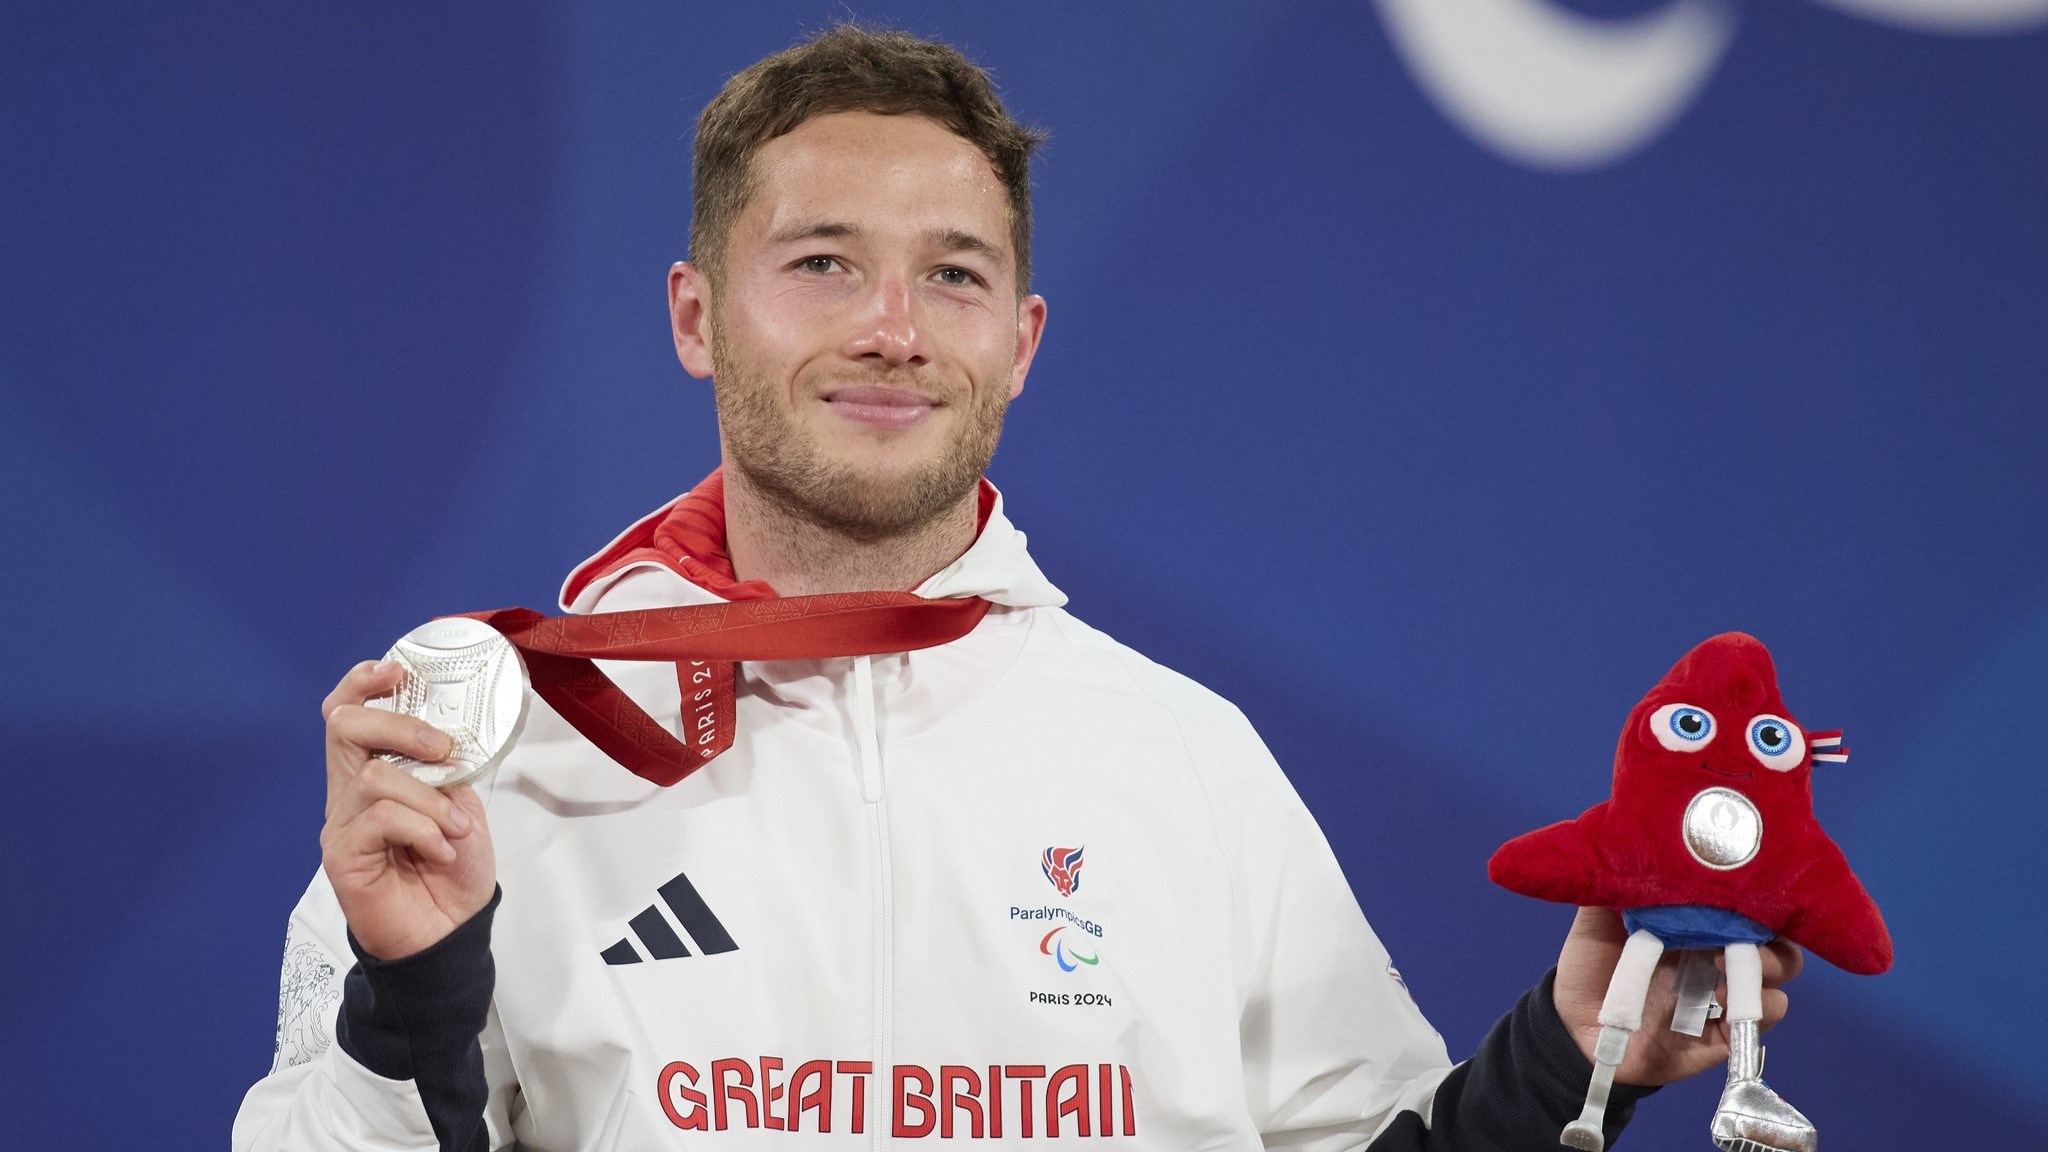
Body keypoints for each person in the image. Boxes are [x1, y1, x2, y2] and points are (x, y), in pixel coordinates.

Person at [234, 24, 1800, 1152]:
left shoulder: (1184, 762)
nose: (894, 327)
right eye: (825, 263)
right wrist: (414, 1002)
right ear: (697, 316)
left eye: (956, 274)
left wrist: (1554, 1061)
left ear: (1023, 344)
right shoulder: (504, 759)